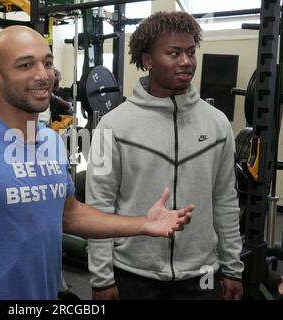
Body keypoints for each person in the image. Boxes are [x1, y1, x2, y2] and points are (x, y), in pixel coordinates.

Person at [0, 25, 194, 300]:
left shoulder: (49, 140)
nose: (43, 74)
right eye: (25, 65)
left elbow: (70, 214)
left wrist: (142, 223)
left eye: (47, 63)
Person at [86, 11, 244, 300]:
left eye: (190, 52)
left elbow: (225, 199)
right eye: (174, 53)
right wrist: (101, 277)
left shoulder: (217, 123)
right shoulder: (112, 125)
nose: (186, 61)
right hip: (133, 272)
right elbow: (99, 205)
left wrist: (233, 268)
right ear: (147, 60)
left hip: (203, 273)